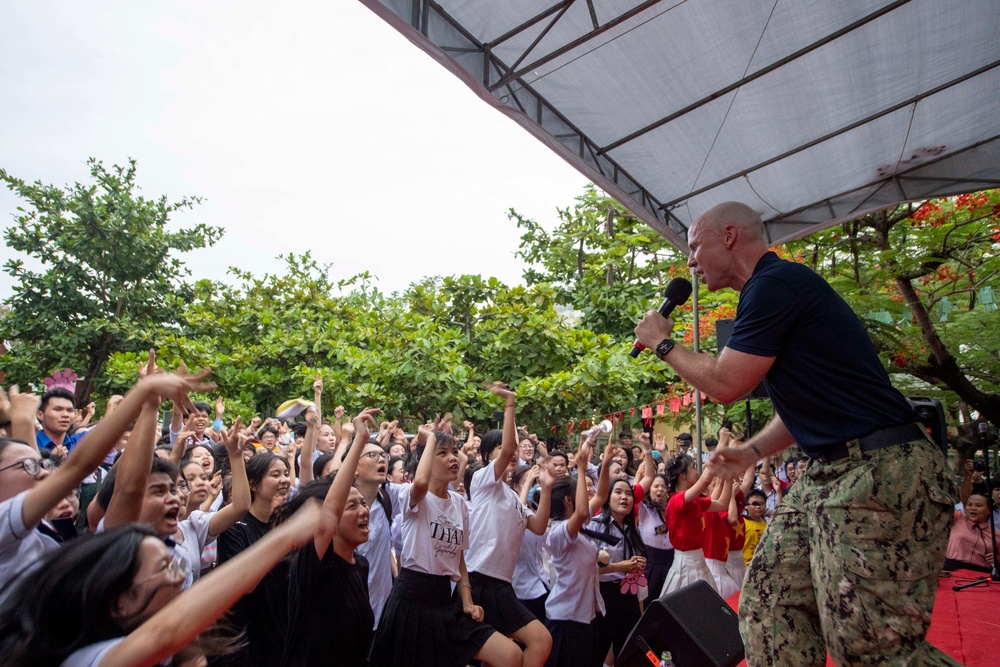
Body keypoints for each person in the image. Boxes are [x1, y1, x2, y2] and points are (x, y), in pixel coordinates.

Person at [635, 201, 958, 666]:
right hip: (830, 470)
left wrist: (662, 343)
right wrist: (751, 451)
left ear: (728, 236)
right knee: (768, 604)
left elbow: (725, 384)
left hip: (879, 471)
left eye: (694, 246)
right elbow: (806, 406)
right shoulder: (767, 293)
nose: (690, 262)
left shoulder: (777, 284)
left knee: (873, 649)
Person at [0, 498, 324, 667]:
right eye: (166, 570)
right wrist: (286, 536)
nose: (182, 577)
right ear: (119, 601)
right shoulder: (86, 660)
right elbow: (166, 633)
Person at [369, 427, 521, 667]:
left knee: (511, 655)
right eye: (442, 453)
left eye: (454, 451)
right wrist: (428, 438)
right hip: (410, 601)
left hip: (444, 601)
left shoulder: (460, 504)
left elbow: (459, 558)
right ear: (427, 460)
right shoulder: (413, 496)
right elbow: (420, 481)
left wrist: (468, 601)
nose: (453, 458)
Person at [279, 408, 380, 666]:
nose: (363, 512)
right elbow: (330, 512)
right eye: (352, 507)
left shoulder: (360, 565)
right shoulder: (313, 565)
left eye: (363, 504)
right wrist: (358, 441)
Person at [465, 382, 554, 667]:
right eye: (502, 448)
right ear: (487, 456)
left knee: (541, 642)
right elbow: (507, 453)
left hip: (503, 586)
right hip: (478, 580)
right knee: (507, 657)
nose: (512, 452)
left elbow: (538, 526)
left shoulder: (514, 498)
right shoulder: (482, 481)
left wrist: (548, 488)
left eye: (513, 448)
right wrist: (510, 404)